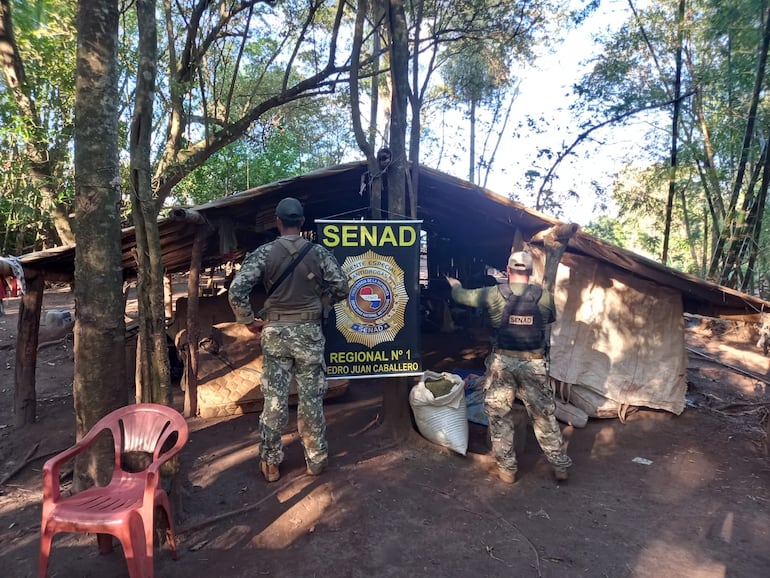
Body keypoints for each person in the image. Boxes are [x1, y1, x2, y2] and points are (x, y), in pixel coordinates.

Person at [228, 197, 349, 483]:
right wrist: (322, 304)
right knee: (311, 399)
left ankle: (270, 464)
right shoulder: (319, 253)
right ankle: (316, 461)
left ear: (278, 222)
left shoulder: (264, 253)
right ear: (302, 222)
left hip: (276, 333)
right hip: (309, 333)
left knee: (274, 399)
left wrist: (249, 321)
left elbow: (237, 290)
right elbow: (341, 287)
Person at [445, 250, 572, 484]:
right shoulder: (545, 297)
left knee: (499, 415)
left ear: (508, 268)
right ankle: (560, 465)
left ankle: (507, 470)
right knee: (543, 416)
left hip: (502, 362)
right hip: (534, 363)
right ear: (531, 271)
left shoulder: (493, 293)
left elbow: (462, 297)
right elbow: (548, 321)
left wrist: (455, 285)